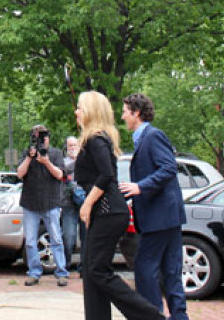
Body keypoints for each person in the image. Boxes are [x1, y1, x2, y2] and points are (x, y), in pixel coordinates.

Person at [74, 91, 164, 320]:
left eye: (80, 108)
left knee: (97, 270)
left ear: (91, 111)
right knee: (91, 270)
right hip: (104, 212)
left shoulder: (96, 139)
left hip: (108, 212)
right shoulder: (93, 139)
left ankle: (151, 316)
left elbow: (105, 176)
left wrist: (87, 203)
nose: (76, 112)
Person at [118, 93, 187, 320]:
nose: (122, 116)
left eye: (125, 111)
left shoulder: (153, 136)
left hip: (160, 217)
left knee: (144, 267)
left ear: (136, 113)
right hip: (166, 217)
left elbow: (168, 168)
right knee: (170, 272)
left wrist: (140, 187)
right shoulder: (143, 138)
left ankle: (152, 314)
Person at [16, 124, 69, 286]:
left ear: (48, 138)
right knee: (30, 241)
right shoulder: (27, 153)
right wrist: (29, 158)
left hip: (51, 201)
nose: (40, 140)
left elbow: (60, 174)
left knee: (56, 239)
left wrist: (46, 162)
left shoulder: (56, 154)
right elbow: (19, 174)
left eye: (43, 137)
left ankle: (61, 272)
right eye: (37, 137)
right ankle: (34, 272)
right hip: (30, 202)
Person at [60, 135, 85, 271]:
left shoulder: (85, 161)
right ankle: (66, 264)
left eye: (75, 145)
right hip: (68, 203)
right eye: (70, 146)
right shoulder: (63, 162)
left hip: (85, 203)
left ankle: (83, 267)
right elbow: (61, 174)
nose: (73, 148)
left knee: (86, 236)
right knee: (69, 237)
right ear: (66, 148)